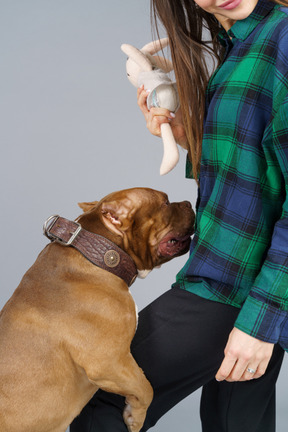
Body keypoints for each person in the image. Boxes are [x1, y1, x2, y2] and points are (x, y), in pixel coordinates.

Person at [70, 0, 288, 430]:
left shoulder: (282, 40)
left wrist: (261, 322)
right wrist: (189, 136)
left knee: (99, 405)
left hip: (240, 287)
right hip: (246, 278)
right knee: (234, 423)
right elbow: (254, 167)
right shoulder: (242, 44)